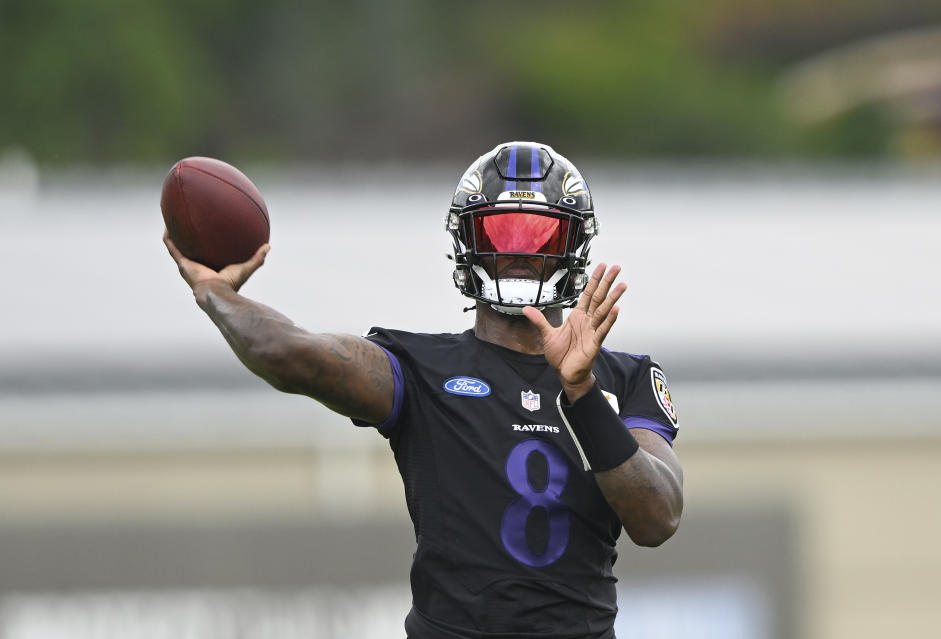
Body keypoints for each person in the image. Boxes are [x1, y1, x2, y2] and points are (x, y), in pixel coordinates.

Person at [164, 141, 683, 639]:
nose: (519, 253)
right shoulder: (418, 368)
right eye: (501, 232)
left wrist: (582, 392)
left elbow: (658, 518)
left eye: (539, 236)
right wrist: (215, 295)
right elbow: (290, 353)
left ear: (573, 245)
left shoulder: (622, 378)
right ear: (468, 240)